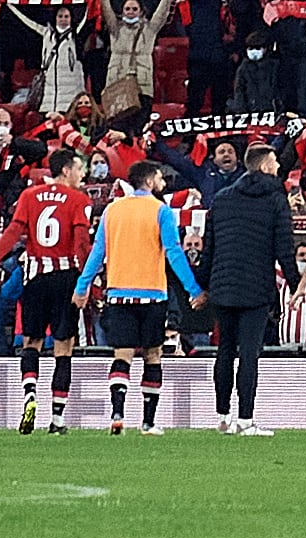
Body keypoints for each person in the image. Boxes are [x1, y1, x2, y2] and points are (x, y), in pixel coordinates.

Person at [76, 155, 209, 436]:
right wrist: (193, 289)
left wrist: (82, 285)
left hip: (118, 295)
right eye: (160, 178)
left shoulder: (113, 210)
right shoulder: (159, 210)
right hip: (152, 295)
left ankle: (117, 414)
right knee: (152, 355)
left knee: (121, 355)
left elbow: (98, 251)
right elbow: (173, 251)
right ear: (149, 181)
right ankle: (148, 422)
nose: (162, 182)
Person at [0, 149, 101, 434]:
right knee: (63, 347)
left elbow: (13, 232)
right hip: (65, 277)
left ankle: (30, 395)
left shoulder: (29, 196)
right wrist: (87, 283)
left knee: (31, 342)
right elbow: (81, 243)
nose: (82, 174)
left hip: (35, 277)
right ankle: (58, 419)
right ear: (65, 171)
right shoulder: (79, 200)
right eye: (78, 168)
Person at [192, 139, 303, 436]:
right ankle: (246, 419)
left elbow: (209, 248)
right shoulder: (276, 199)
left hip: (223, 285)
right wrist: (296, 286)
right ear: (266, 166)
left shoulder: (223, 198)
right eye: (276, 163)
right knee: (249, 353)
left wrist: (200, 285)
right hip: (256, 287)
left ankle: (223, 417)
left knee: (225, 349)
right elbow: (284, 249)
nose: (279, 167)